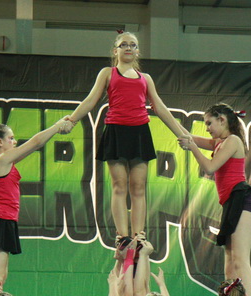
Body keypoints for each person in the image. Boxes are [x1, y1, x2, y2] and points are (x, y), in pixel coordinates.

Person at [63, 31, 190, 254]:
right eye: (124, 45)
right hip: (116, 132)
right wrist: (72, 120)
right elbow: (91, 100)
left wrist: (182, 133)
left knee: (138, 187)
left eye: (133, 45)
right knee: (119, 185)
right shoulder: (108, 73)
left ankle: (139, 235)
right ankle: (122, 236)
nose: (128, 48)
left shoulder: (145, 78)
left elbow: (160, 107)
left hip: (139, 133)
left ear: (138, 51)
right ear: (116, 51)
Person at [0, 118, 71, 296]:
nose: (15, 141)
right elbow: (35, 142)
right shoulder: (1, 160)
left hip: (4, 219)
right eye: (11, 138)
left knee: (0, 276)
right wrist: (57, 127)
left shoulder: (7, 161)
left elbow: (34, 147)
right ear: (0, 142)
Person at [178, 103, 251, 296]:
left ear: (222, 120)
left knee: (240, 259)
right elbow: (186, 135)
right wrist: (159, 110)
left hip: (243, 200)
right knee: (229, 264)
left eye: (209, 123)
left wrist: (192, 147)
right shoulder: (218, 142)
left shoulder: (233, 140)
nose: (207, 128)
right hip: (231, 203)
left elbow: (210, 167)